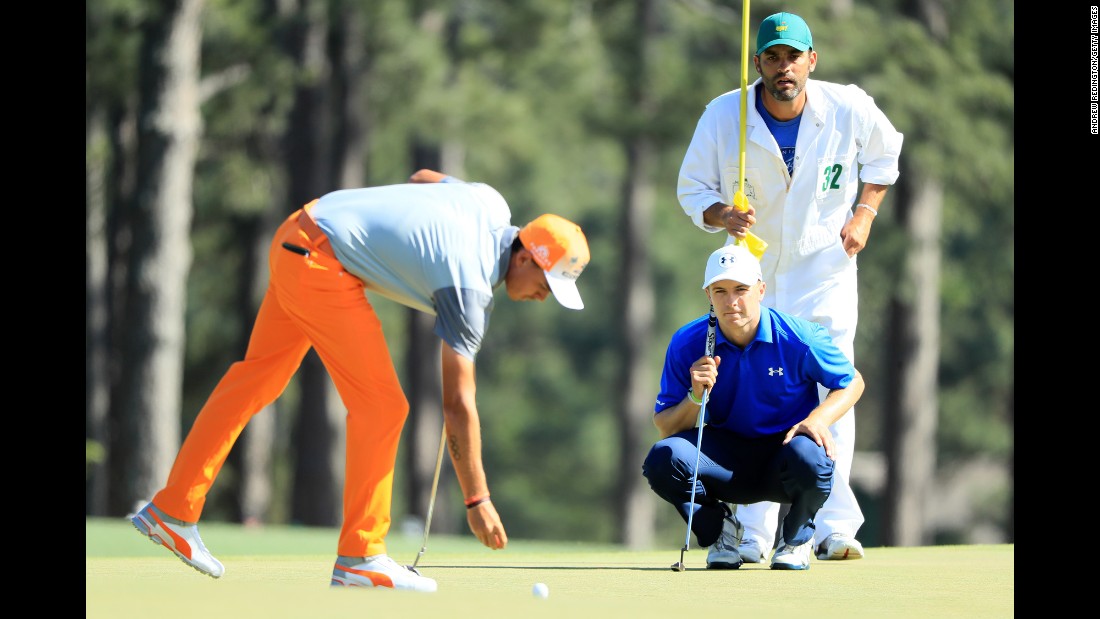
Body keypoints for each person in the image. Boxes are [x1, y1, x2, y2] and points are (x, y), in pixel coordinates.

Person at [130, 169, 591, 592]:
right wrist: (477, 499)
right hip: (320, 263)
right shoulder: (468, 289)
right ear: (527, 256)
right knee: (384, 407)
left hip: (298, 231)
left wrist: (405, 238)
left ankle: (173, 509)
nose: (542, 297)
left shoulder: (491, 202)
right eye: (547, 285)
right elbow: (457, 405)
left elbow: (423, 177)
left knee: (254, 381)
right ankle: (361, 555)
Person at [676, 11, 903, 564]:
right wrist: (722, 214)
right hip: (754, 275)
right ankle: (753, 533)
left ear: (811, 61)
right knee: (756, 395)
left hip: (825, 272)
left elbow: (885, 155)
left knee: (833, 390)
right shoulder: (722, 115)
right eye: (773, 57)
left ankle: (835, 525)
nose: (784, 68)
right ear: (758, 63)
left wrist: (865, 213)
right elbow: (691, 189)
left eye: (793, 57)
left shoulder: (847, 106)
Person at [642, 245, 865, 570]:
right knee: (663, 459)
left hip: (786, 457)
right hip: (725, 461)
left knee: (814, 455)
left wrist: (818, 419)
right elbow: (666, 427)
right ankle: (721, 530)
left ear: (761, 290)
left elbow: (852, 381)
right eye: (720, 291)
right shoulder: (688, 342)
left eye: (741, 290)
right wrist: (695, 395)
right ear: (708, 294)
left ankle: (797, 538)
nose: (731, 302)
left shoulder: (798, 337)